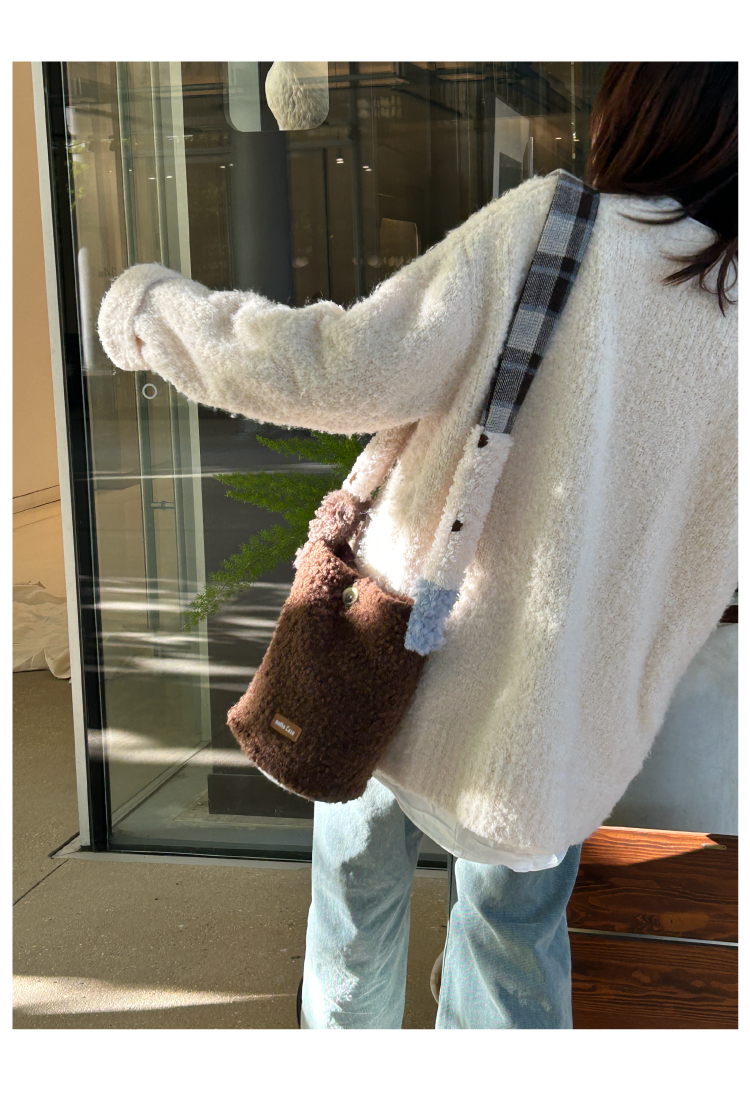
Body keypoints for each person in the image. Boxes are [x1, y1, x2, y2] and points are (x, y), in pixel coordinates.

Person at [98, 62, 737, 1028]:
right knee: (513, 946)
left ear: (641, 106)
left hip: (399, 661)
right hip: (558, 719)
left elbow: (339, 367)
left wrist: (156, 314)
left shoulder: (555, 226)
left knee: (354, 917)